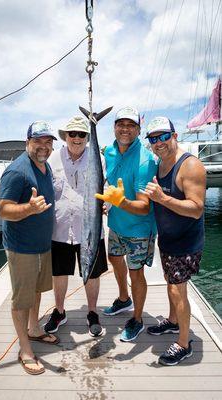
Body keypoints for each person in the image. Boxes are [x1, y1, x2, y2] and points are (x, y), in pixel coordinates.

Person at [143, 116, 206, 366]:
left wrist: (162, 199)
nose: (159, 142)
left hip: (186, 242)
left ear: (175, 135)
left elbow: (196, 208)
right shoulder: (160, 164)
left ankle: (183, 343)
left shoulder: (190, 166)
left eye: (163, 136)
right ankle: (172, 320)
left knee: (176, 289)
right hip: (168, 240)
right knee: (171, 283)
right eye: (153, 139)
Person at [0, 121, 59, 375]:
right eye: (38, 141)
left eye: (48, 142)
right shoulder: (17, 172)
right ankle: (25, 349)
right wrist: (29, 209)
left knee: (36, 290)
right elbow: (4, 209)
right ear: (27, 142)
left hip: (42, 245)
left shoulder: (44, 167)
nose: (43, 147)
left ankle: (34, 329)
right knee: (21, 300)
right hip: (22, 248)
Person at [95, 106, 157, 342]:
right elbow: (110, 185)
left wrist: (119, 201)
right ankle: (124, 299)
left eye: (131, 125)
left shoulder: (146, 160)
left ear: (139, 130)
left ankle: (138, 319)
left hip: (140, 229)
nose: (125, 129)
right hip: (116, 224)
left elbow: (144, 207)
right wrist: (108, 204)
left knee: (136, 273)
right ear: (114, 127)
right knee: (114, 259)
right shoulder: (109, 152)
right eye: (121, 124)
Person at [44, 116, 108, 337]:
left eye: (82, 134)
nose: (77, 138)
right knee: (59, 273)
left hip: (90, 229)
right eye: (73, 134)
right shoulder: (52, 159)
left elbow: (104, 185)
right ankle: (60, 311)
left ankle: (92, 313)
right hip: (59, 228)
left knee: (93, 273)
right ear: (65, 136)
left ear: (87, 137)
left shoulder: (97, 157)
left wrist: (107, 200)